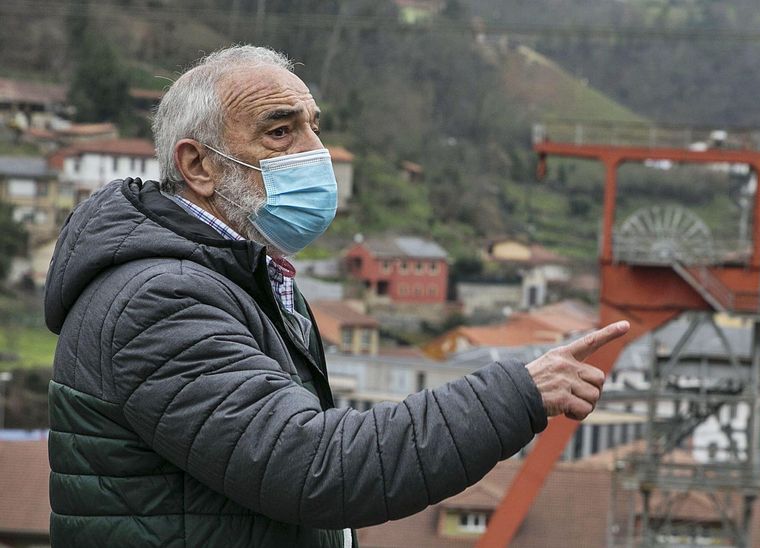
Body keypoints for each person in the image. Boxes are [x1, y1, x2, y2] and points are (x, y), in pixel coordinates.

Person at [43, 45, 628, 547]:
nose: (314, 150)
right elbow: (313, 467)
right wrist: (515, 394)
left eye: (312, 124)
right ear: (197, 164)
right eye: (281, 131)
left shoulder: (238, 279)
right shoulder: (158, 300)